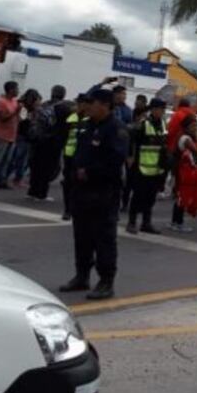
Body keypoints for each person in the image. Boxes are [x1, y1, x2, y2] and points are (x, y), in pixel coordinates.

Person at [59, 89, 128, 301]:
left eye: (92, 102)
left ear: (105, 105)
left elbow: (115, 161)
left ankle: (106, 281)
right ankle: (82, 276)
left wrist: (90, 172)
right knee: (82, 237)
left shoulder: (116, 129)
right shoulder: (86, 126)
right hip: (81, 191)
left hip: (103, 193)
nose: (87, 106)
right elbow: (78, 154)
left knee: (104, 239)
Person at [126, 98, 167, 234]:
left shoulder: (162, 124)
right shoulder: (143, 125)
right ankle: (131, 223)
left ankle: (146, 223)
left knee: (150, 198)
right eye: (160, 109)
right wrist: (130, 156)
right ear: (153, 109)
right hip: (141, 167)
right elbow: (130, 140)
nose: (162, 112)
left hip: (156, 168)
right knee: (138, 196)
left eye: (163, 110)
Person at [170, 115, 197, 233]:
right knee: (182, 196)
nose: (195, 128)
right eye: (192, 126)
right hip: (184, 172)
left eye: (195, 125)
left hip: (180, 170)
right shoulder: (186, 138)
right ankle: (178, 223)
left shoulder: (182, 136)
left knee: (180, 196)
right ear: (186, 126)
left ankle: (175, 222)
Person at [26, 88, 61, 202]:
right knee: (45, 169)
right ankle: (41, 194)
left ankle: (32, 192)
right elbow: (52, 125)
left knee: (35, 168)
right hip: (47, 142)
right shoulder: (57, 109)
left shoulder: (43, 106)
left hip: (35, 140)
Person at [0, 81, 22, 190]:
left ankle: (2, 180)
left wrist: (19, 116)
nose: (18, 91)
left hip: (12, 135)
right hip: (2, 135)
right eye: (16, 89)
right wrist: (15, 113)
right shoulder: (1, 102)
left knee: (6, 161)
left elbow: (16, 118)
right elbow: (2, 118)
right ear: (10, 90)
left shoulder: (15, 102)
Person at [62, 94, 91, 220]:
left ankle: (78, 208)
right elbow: (63, 136)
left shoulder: (90, 120)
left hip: (84, 157)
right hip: (69, 155)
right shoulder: (70, 118)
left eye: (81, 103)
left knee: (81, 184)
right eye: (78, 103)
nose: (79, 106)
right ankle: (67, 209)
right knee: (68, 183)